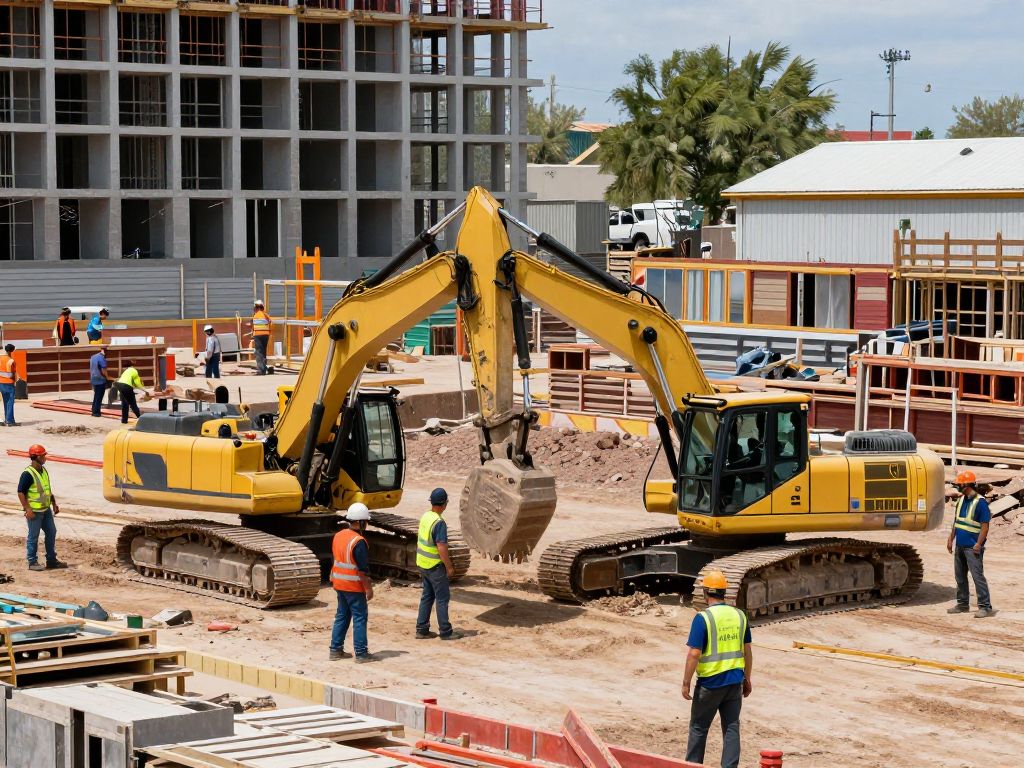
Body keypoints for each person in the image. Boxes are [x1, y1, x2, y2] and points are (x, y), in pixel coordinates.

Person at [682, 571, 752, 768]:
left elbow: (694, 654)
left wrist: (686, 683)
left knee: (698, 728)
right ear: (724, 592)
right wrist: (747, 678)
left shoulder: (703, 618)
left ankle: (693, 766)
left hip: (710, 684)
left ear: (705, 593)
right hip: (734, 683)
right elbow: (747, 651)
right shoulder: (740, 615)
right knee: (731, 727)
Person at [329, 503, 375, 663]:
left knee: (342, 615)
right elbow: (363, 570)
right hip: (354, 587)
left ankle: (335, 650)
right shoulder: (358, 541)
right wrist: (368, 589)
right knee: (360, 617)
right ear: (361, 522)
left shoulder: (339, 535)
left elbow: (336, 558)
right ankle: (361, 653)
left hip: (339, 584)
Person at [415, 488, 462, 640]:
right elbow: (441, 546)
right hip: (435, 566)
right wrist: (449, 567)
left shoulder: (426, 516)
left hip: (423, 564)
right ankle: (446, 632)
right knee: (442, 598)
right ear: (444, 504)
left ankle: (422, 629)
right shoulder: (439, 523)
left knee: (427, 596)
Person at [947, 470, 995, 618]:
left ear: (967, 485)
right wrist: (951, 539)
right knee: (960, 577)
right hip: (960, 545)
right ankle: (962, 604)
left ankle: (985, 607)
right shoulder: (961, 500)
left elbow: (985, 526)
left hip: (973, 547)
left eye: (959, 485)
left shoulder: (980, 503)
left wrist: (979, 544)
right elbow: (957, 522)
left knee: (977, 577)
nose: (957, 487)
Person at [17, 444, 67, 571]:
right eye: (43, 455)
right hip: (34, 512)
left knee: (51, 532)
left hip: (46, 509)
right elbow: (20, 492)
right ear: (36, 457)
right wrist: (27, 509)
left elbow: (47, 490)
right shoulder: (27, 474)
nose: (45, 457)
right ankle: (32, 562)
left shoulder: (43, 471)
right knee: (33, 536)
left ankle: (51, 561)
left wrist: (54, 503)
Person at [89, 345, 114, 417]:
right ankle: (96, 413)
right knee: (99, 396)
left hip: (93, 378)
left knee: (96, 395)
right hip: (100, 379)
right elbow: (103, 371)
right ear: (105, 351)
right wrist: (108, 378)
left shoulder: (93, 357)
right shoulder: (102, 359)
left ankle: (93, 409)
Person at [249, 300, 272, 375]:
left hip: (258, 335)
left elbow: (252, 326)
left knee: (259, 352)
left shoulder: (255, 316)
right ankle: (264, 368)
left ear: (256, 307)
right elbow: (270, 323)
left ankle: (261, 370)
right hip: (266, 335)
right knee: (263, 352)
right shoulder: (266, 315)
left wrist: (253, 334)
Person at [0, 343, 17, 427]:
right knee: (10, 402)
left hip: (1, 383)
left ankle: (9, 420)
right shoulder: (11, 361)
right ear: (12, 351)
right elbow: (11, 374)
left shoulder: (0, 358)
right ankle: (9, 421)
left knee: (6, 402)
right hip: (9, 383)